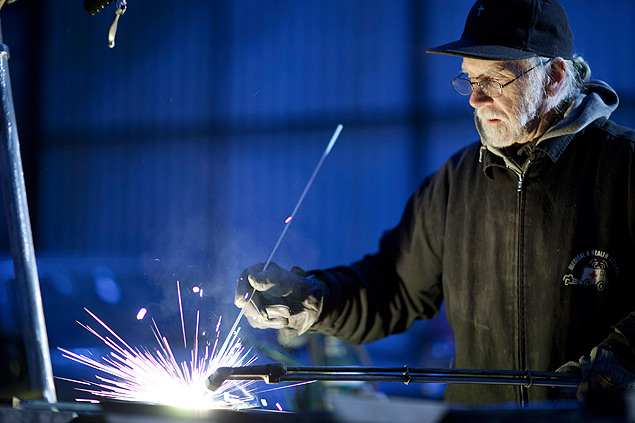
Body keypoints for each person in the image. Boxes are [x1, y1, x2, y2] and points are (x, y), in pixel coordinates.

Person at [234, 0, 635, 405]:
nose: (475, 100)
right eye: (469, 80)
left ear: (553, 77)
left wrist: (613, 371)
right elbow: (392, 286)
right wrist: (309, 298)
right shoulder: (456, 182)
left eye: (493, 81)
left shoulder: (625, 168)